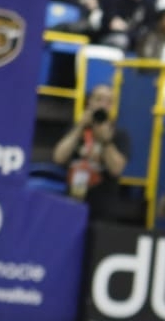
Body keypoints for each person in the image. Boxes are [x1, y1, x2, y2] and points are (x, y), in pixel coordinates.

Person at [50, 85, 131, 223]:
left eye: (108, 101)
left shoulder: (119, 135)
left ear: (112, 106)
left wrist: (106, 142)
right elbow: (58, 157)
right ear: (90, 102)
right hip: (72, 203)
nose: (103, 105)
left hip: (102, 210)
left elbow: (117, 169)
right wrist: (79, 128)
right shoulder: (76, 129)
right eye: (99, 99)